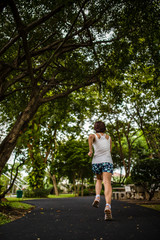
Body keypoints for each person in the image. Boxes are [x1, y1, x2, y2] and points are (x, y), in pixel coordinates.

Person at [88, 121, 113, 220]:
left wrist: (90, 150)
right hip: (107, 160)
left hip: (96, 161)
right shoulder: (109, 137)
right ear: (104, 128)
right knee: (107, 183)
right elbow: (110, 150)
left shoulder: (94, 135)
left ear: (95, 128)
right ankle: (108, 206)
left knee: (98, 180)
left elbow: (90, 137)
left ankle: (97, 197)